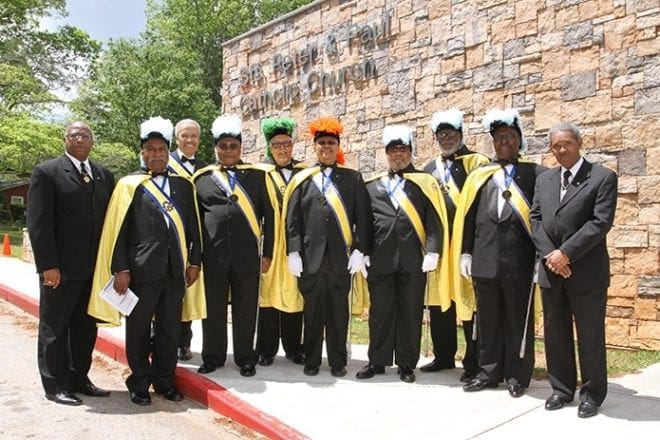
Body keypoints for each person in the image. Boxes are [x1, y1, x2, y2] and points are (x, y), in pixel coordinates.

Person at [88, 116, 203, 406]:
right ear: (142, 153)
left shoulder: (183, 186)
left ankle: (165, 380)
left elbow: (193, 228)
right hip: (140, 271)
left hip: (174, 271)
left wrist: (194, 263)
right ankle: (139, 381)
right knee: (138, 330)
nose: (156, 154)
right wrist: (121, 269)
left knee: (170, 329)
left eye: (161, 150)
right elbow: (118, 232)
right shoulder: (130, 185)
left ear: (168, 152)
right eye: (150, 149)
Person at [454, 108, 545, 398]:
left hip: (519, 260)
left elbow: (541, 218)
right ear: (493, 143)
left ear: (519, 141)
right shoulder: (480, 176)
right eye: (499, 139)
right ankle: (488, 372)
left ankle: (517, 375)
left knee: (518, 319)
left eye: (510, 137)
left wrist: (539, 257)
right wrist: (465, 252)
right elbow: (468, 216)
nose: (504, 143)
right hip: (484, 260)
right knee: (488, 320)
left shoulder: (535, 173)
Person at [530, 122, 617, 418]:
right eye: (555, 146)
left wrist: (565, 254)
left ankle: (592, 394)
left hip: (586, 271)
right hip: (551, 270)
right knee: (555, 333)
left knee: (590, 334)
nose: (561, 150)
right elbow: (536, 218)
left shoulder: (602, 177)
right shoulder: (545, 180)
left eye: (567, 143)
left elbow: (600, 222)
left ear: (579, 142)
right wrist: (551, 256)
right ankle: (561, 389)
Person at [27, 121, 114, 406]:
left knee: (85, 327)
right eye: (75, 134)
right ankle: (55, 384)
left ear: (92, 142)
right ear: (65, 139)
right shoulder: (47, 172)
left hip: (93, 270)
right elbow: (39, 224)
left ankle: (79, 377)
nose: (80, 138)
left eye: (86, 135)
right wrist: (48, 265)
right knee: (55, 328)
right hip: (60, 270)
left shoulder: (104, 175)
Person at [356, 125, 449, 383]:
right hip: (381, 259)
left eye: (403, 149)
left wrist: (433, 250)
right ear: (386, 153)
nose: (398, 154)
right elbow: (363, 222)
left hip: (413, 260)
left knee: (410, 314)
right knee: (380, 314)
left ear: (410, 151)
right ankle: (377, 361)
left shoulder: (424, 182)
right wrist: (361, 251)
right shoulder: (372, 185)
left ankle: (407, 364)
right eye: (393, 150)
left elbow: (435, 219)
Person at [283, 116, 372, 377]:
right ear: (314, 147)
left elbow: (363, 219)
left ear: (338, 146)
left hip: (339, 259)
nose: (326, 147)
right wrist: (293, 251)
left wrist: (359, 249)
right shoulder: (303, 178)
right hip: (310, 258)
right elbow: (293, 219)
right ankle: (311, 360)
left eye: (331, 143)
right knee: (312, 312)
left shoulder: (353, 178)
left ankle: (337, 362)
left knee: (337, 313)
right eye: (321, 143)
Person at [193, 114, 274, 377]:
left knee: (246, 309)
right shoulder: (202, 178)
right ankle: (213, 356)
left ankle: (245, 358)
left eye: (233, 146)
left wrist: (269, 252)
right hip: (213, 255)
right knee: (213, 309)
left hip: (247, 255)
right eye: (223, 146)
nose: (228, 151)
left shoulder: (257, 176)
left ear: (241, 148)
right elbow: (193, 221)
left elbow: (270, 218)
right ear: (215, 148)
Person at [421, 109, 490, 381]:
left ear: (461, 134)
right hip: (440, 245)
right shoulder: (429, 168)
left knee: (469, 303)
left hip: (465, 244)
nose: (446, 137)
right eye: (441, 134)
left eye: (450, 132)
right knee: (440, 302)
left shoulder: (478, 162)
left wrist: (471, 247)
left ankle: (473, 360)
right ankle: (443, 356)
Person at [255, 117, 306, 366]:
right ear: (269, 147)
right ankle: (266, 349)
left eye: (286, 143)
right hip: (271, 246)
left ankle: (294, 348)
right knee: (267, 297)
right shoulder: (260, 173)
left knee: (295, 296)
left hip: (298, 247)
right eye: (276, 145)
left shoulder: (304, 172)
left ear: (292, 144)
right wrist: (263, 251)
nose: (282, 149)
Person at [168, 118, 208, 361]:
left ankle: (184, 342)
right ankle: (160, 338)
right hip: (172, 234)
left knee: (190, 290)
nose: (190, 139)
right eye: (185, 135)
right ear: (177, 138)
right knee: (168, 291)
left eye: (194, 135)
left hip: (199, 236)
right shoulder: (165, 162)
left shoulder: (206, 167)